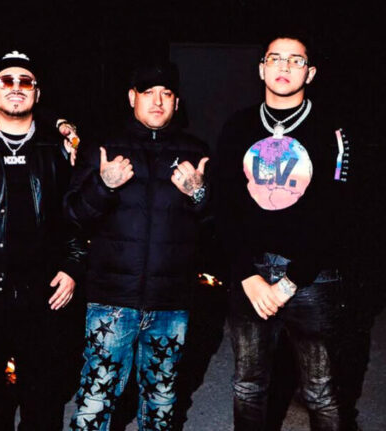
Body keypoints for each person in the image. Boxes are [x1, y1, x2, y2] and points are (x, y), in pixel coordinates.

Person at [217, 35, 353, 430]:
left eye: (296, 60)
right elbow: (224, 207)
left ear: (310, 73)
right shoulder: (238, 126)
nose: (284, 66)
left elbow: (339, 213)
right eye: (275, 58)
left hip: (313, 278)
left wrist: (291, 281)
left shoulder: (332, 131)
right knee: (247, 386)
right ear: (261, 68)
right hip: (251, 276)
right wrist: (246, 275)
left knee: (321, 391)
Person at [65, 62, 210, 431]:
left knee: (161, 404)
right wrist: (103, 186)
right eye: (148, 93)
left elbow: (217, 226)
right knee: (95, 401)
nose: (157, 101)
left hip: (170, 304)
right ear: (132, 98)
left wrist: (199, 194)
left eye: (166, 94)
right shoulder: (105, 148)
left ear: (176, 102)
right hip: (111, 302)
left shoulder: (195, 152)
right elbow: (72, 216)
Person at [0, 50, 86, 431]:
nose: (16, 88)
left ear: (37, 93)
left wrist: (72, 266)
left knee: (43, 405)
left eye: (25, 81)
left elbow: (77, 216)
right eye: (6, 80)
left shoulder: (57, 151)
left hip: (43, 298)